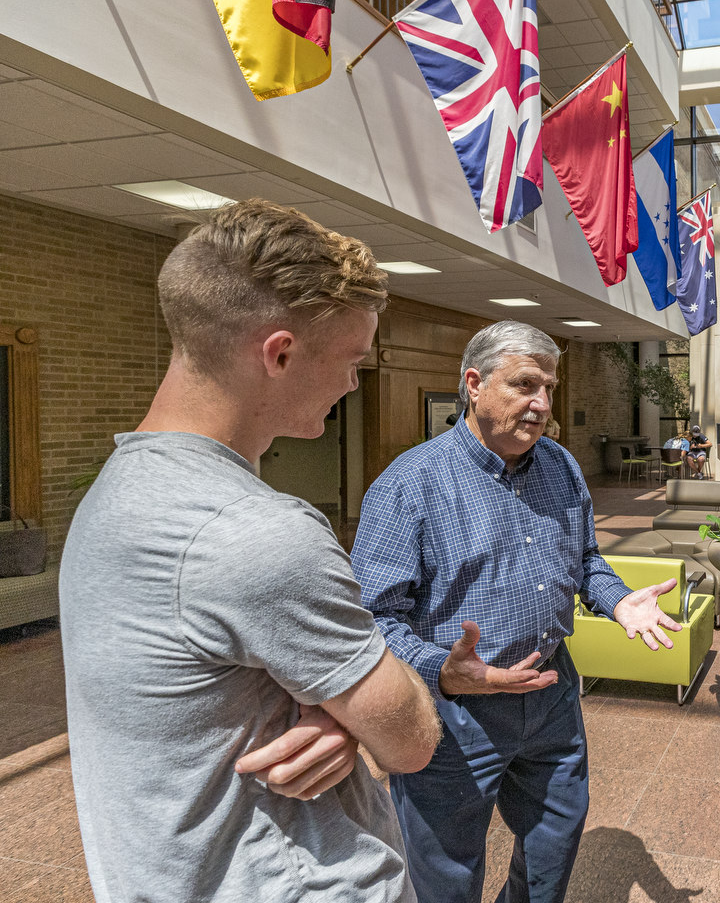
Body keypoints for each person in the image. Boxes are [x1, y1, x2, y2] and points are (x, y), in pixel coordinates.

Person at [59, 199, 441, 903]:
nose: (352, 384)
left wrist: (336, 710)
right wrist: (357, 711)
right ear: (280, 353)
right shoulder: (257, 532)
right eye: (352, 361)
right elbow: (411, 739)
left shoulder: (115, 492)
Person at [353, 320, 684, 903]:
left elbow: (586, 560)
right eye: (525, 385)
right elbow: (373, 617)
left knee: (555, 843)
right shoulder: (410, 483)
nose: (542, 404)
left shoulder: (559, 465)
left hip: (552, 693)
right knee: (444, 872)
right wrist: (442, 671)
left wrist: (616, 599)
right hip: (455, 711)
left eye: (549, 388)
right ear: (474, 384)